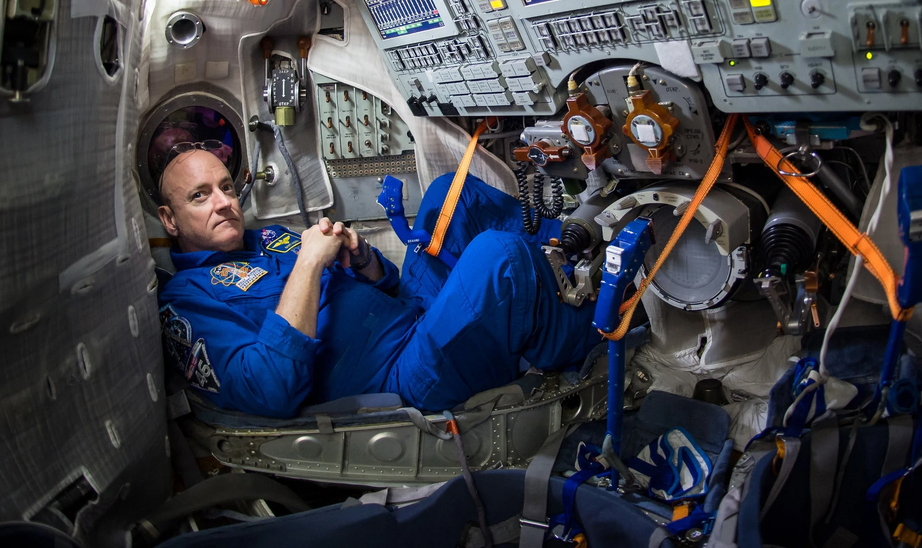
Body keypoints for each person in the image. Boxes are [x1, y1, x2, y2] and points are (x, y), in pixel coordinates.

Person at [155, 148, 599, 417]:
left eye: (227, 187)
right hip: (398, 380)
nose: (223, 202)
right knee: (496, 257)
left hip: (411, 312)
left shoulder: (268, 239)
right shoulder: (187, 299)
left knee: (451, 192)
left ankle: (573, 253)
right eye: (200, 195)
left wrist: (364, 261)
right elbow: (269, 390)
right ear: (169, 220)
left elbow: (382, 285)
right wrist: (309, 265)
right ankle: (595, 327)